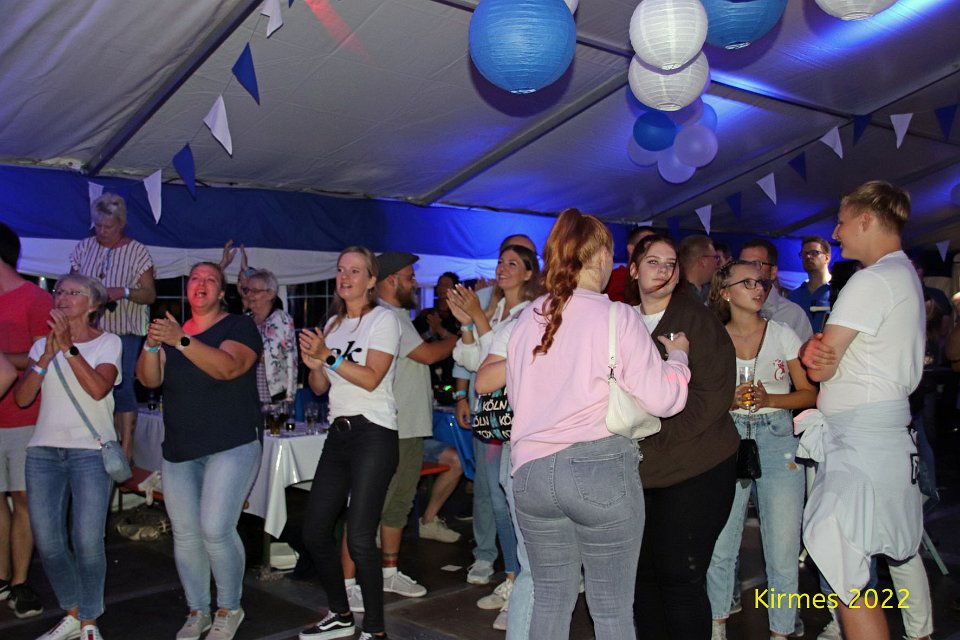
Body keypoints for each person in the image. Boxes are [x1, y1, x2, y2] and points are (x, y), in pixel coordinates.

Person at [503, 210, 690, 640]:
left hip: (530, 475)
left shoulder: (527, 318)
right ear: (602, 256)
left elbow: (517, 400)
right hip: (597, 469)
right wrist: (679, 359)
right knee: (611, 611)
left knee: (550, 601)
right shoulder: (617, 316)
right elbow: (663, 399)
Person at [799, 181, 925, 640]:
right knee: (864, 559)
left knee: (843, 560)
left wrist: (812, 352)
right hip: (880, 438)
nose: (836, 233)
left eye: (842, 222)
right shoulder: (902, 274)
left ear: (866, 221)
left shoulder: (871, 281)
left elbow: (819, 365)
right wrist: (819, 352)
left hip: (863, 443)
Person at [136, 262, 262, 640]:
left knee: (215, 528)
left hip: (232, 442)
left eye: (210, 279)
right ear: (187, 288)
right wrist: (152, 344)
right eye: (195, 278)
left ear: (221, 292)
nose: (201, 283)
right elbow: (149, 379)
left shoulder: (238, 326)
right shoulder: (174, 331)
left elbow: (228, 367)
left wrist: (180, 341)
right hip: (181, 447)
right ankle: (197, 610)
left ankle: (229, 608)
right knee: (186, 534)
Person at [626, 234, 740, 640]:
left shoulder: (696, 321)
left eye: (670, 263)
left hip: (697, 466)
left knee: (680, 576)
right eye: (652, 262)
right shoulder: (622, 321)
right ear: (634, 270)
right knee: (642, 575)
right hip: (641, 470)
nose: (662, 270)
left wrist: (650, 436)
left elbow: (713, 396)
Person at [340, 251, 460, 613]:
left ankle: (389, 573)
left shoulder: (396, 317)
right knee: (368, 507)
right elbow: (428, 355)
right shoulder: (387, 316)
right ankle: (347, 585)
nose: (414, 282)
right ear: (390, 280)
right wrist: (463, 334)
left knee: (397, 504)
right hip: (391, 427)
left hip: (406, 427)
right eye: (409, 277)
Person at [705, 261, 816, 640]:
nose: (758, 288)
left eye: (761, 283)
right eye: (748, 282)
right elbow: (699, 398)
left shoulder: (782, 334)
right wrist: (729, 401)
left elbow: (809, 393)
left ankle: (781, 631)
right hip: (728, 437)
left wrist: (771, 398)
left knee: (783, 549)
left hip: (778, 437)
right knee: (721, 543)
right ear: (725, 292)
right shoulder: (713, 338)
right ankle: (717, 625)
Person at [297, 246, 401, 640]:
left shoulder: (384, 320)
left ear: (371, 280)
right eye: (341, 269)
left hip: (374, 432)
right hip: (338, 433)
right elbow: (319, 386)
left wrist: (329, 356)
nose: (345, 277)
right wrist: (315, 366)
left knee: (358, 536)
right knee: (314, 532)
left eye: (355, 271)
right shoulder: (334, 324)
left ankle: (375, 630)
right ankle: (341, 614)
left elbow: (372, 378)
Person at [14, 274, 121, 640]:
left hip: (90, 452)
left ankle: (89, 621)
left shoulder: (108, 343)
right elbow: (23, 398)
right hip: (43, 452)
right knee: (48, 540)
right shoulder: (40, 345)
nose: (62, 296)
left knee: (88, 541)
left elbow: (98, 389)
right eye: (59, 290)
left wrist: (69, 349)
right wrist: (46, 355)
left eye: (74, 292)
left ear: (93, 304)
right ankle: (73, 613)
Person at [449, 242, 542, 633]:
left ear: (529, 273)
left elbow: (502, 359)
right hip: (492, 418)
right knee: (499, 502)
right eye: (500, 262)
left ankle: (523, 584)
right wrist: (468, 323)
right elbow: (472, 360)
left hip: (517, 420)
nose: (502, 268)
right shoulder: (497, 309)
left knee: (512, 504)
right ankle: (512, 578)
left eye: (513, 263)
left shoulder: (531, 312)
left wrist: (477, 319)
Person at [70, 192, 156, 461]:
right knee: (87, 382)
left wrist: (124, 292)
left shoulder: (137, 251)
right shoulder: (84, 247)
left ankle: (126, 448)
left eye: (108, 226)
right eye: (98, 226)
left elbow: (150, 294)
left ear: (122, 224)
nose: (102, 231)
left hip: (124, 331)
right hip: (88, 331)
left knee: (122, 386)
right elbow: (70, 286)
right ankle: (95, 442)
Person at [0, 221, 52, 619]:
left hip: (24, 414)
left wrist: (4, 360)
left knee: (23, 498)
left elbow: (46, 358)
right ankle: (2, 578)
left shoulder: (36, 299)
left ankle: (20, 582)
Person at [241, 269, 298, 403]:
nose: (249, 295)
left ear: (270, 294)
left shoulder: (281, 319)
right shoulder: (246, 320)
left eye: (255, 291)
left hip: (273, 394)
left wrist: (289, 395)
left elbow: (284, 357)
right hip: (248, 394)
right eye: (247, 290)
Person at [739, 239, 813, 342]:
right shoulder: (731, 309)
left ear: (773, 272)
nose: (747, 270)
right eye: (742, 264)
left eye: (756, 264)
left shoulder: (793, 314)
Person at [788, 236, 832, 333]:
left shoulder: (839, 291)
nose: (808, 257)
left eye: (814, 253)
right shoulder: (794, 295)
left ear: (827, 258)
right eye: (804, 254)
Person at [606, 226, 656, 303]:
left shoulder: (658, 279)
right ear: (631, 249)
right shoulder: (611, 278)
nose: (654, 250)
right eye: (647, 246)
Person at [678, 235, 720, 303]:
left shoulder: (715, 293)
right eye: (715, 257)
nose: (717, 262)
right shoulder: (677, 296)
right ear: (703, 261)